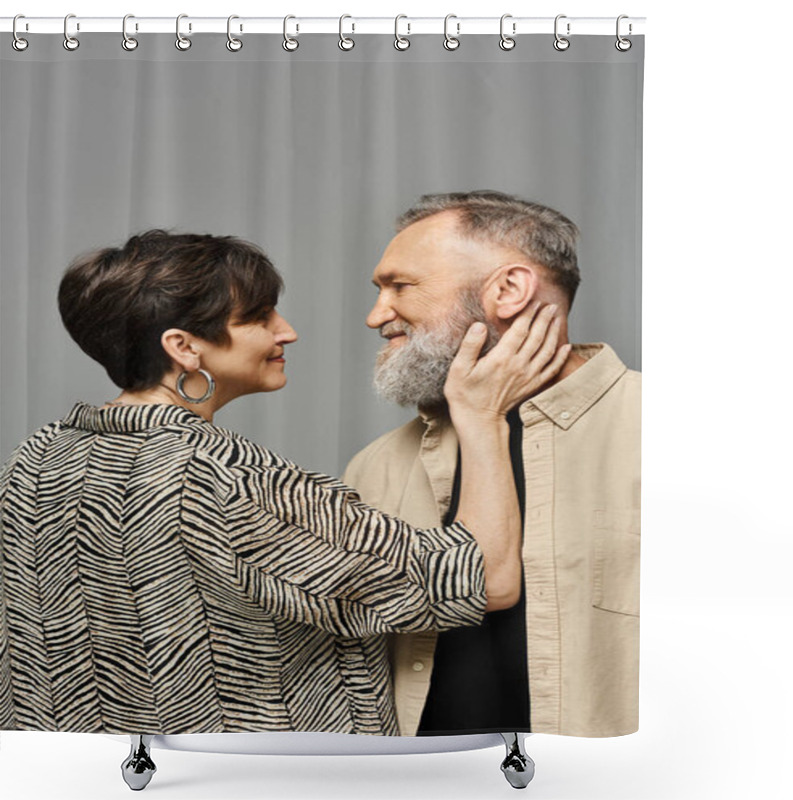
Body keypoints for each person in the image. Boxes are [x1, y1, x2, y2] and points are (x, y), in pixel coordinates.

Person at [0, 229, 569, 737]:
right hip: (249, 783)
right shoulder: (223, 479)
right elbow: (485, 579)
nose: (286, 331)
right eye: (259, 317)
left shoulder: (32, 462)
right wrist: (480, 413)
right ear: (183, 347)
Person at [343, 191, 641, 738]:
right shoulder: (374, 468)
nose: (376, 315)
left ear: (507, 290)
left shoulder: (671, 436)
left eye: (400, 286)